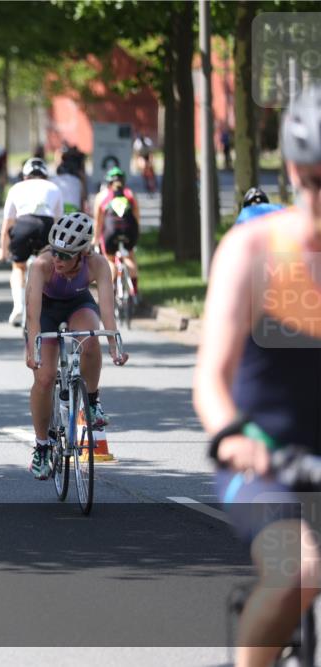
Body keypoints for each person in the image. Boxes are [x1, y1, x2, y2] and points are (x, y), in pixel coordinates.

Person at [193, 84, 321, 667]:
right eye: (316, 182)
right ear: (294, 170)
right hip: (265, 459)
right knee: (299, 572)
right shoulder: (251, 249)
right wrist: (235, 436)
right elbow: (211, 379)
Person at [24, 212, 128, 479]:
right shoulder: (41, 265)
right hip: (46, 310)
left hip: (78, 304)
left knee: (90, 339)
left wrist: (114, 345)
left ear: (82, 253)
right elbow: (33, 315)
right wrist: (32, 349)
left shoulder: (97, 264)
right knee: (45, 378)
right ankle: (42, 447)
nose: (58, 259)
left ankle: (91, 401)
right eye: (56, 252)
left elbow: (106, 309)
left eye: (66, 255)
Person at [0, 157, 64, 327]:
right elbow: (59, 222)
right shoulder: (54, 187)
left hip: (23, 225)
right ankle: (51, 304)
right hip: (46, 226)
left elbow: (7, 224)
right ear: (45, 176)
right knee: (50, 268)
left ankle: (18, 305)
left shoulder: (16, 188)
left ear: (25, 176)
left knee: (18, 266)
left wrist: (2, 249)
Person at [94, 166, 141, 298]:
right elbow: (137, 217)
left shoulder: (102, 196)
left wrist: (96, 239)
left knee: (110, 260)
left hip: (111, 233)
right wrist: (136, 235)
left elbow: (98, 222)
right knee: (129, 256)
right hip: (129, 231)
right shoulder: (130, 195)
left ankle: (112, 288)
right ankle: (134, 290)